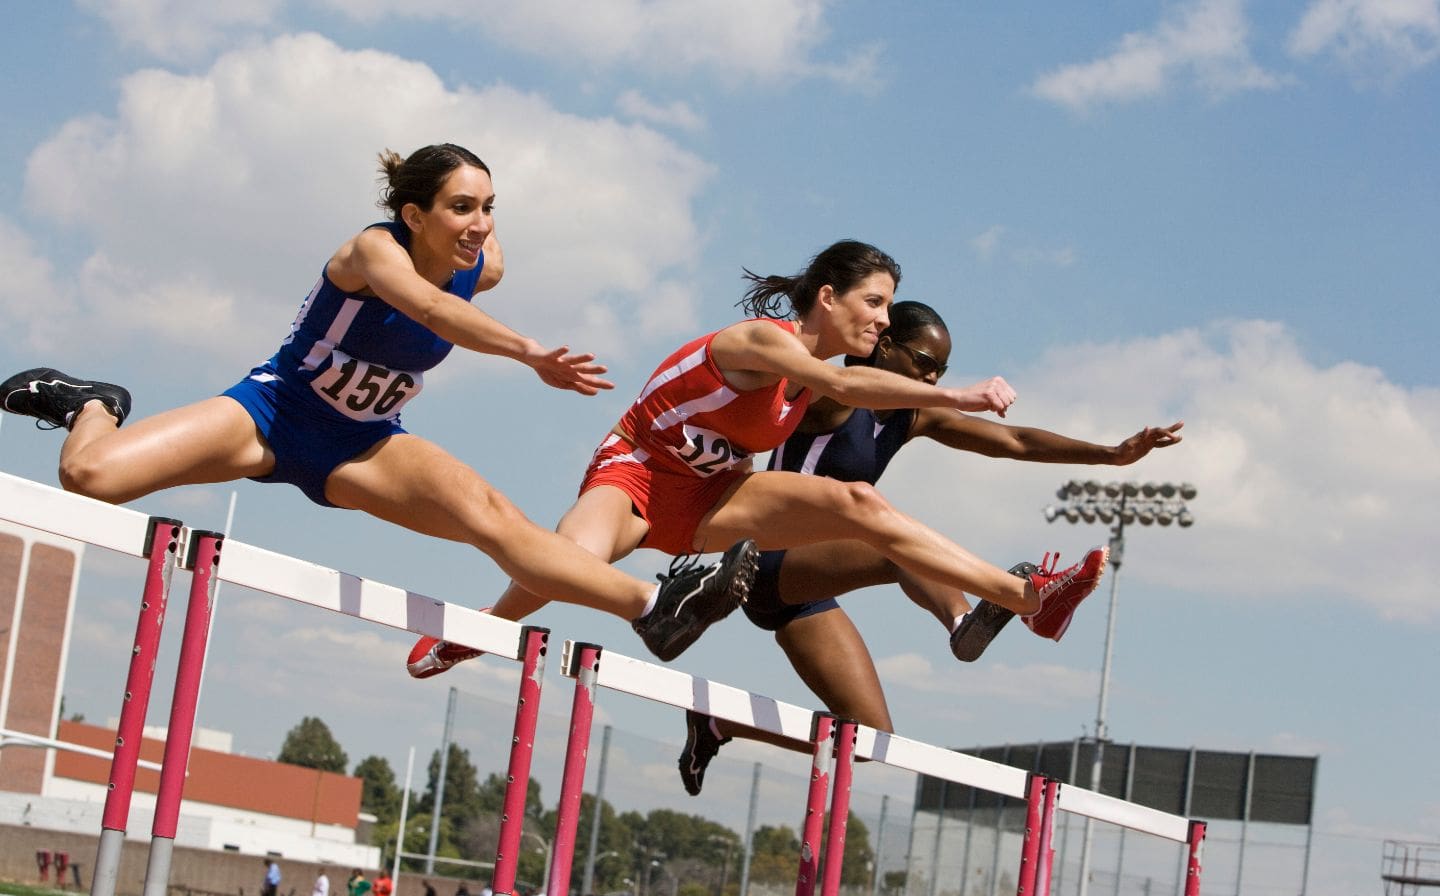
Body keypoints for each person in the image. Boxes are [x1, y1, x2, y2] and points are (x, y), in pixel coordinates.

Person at [0, 143, 757, 666]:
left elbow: (458, 285)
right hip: (273, 412)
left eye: (489, 207)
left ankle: (658, 600)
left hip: (363, 442)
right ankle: (92, 402)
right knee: (91, 478)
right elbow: (429, 310)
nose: (481, 225)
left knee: (496, 521)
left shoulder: (482, 264)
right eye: (462, 207)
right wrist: (530, 353)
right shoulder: (371, 251)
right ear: (413, 212)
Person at [409, 240, 1108, 676]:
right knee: (567, 557)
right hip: (639, 472)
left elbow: (850, 386)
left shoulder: (819, 370)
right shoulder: (763, 341)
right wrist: (961, 394)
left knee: (860, 504)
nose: (883, 321)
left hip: (715, 496)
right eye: (875, 302)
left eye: (890, 310)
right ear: (827, 296)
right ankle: (476, 631)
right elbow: (843, 384)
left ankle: (1027, 599)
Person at [675, 300, 1185, 793]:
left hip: (803, 590)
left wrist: (1111, 456)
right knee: (888, 534)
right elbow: (806, 381)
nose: (933, 381)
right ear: (885, 345)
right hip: (765, 559)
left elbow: (1014, 442)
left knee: (871, 739)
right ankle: (967, 621)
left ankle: (719, 725)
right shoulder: (832, 396)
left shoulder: (912, 415)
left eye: (941, 371)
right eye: (924, 364)